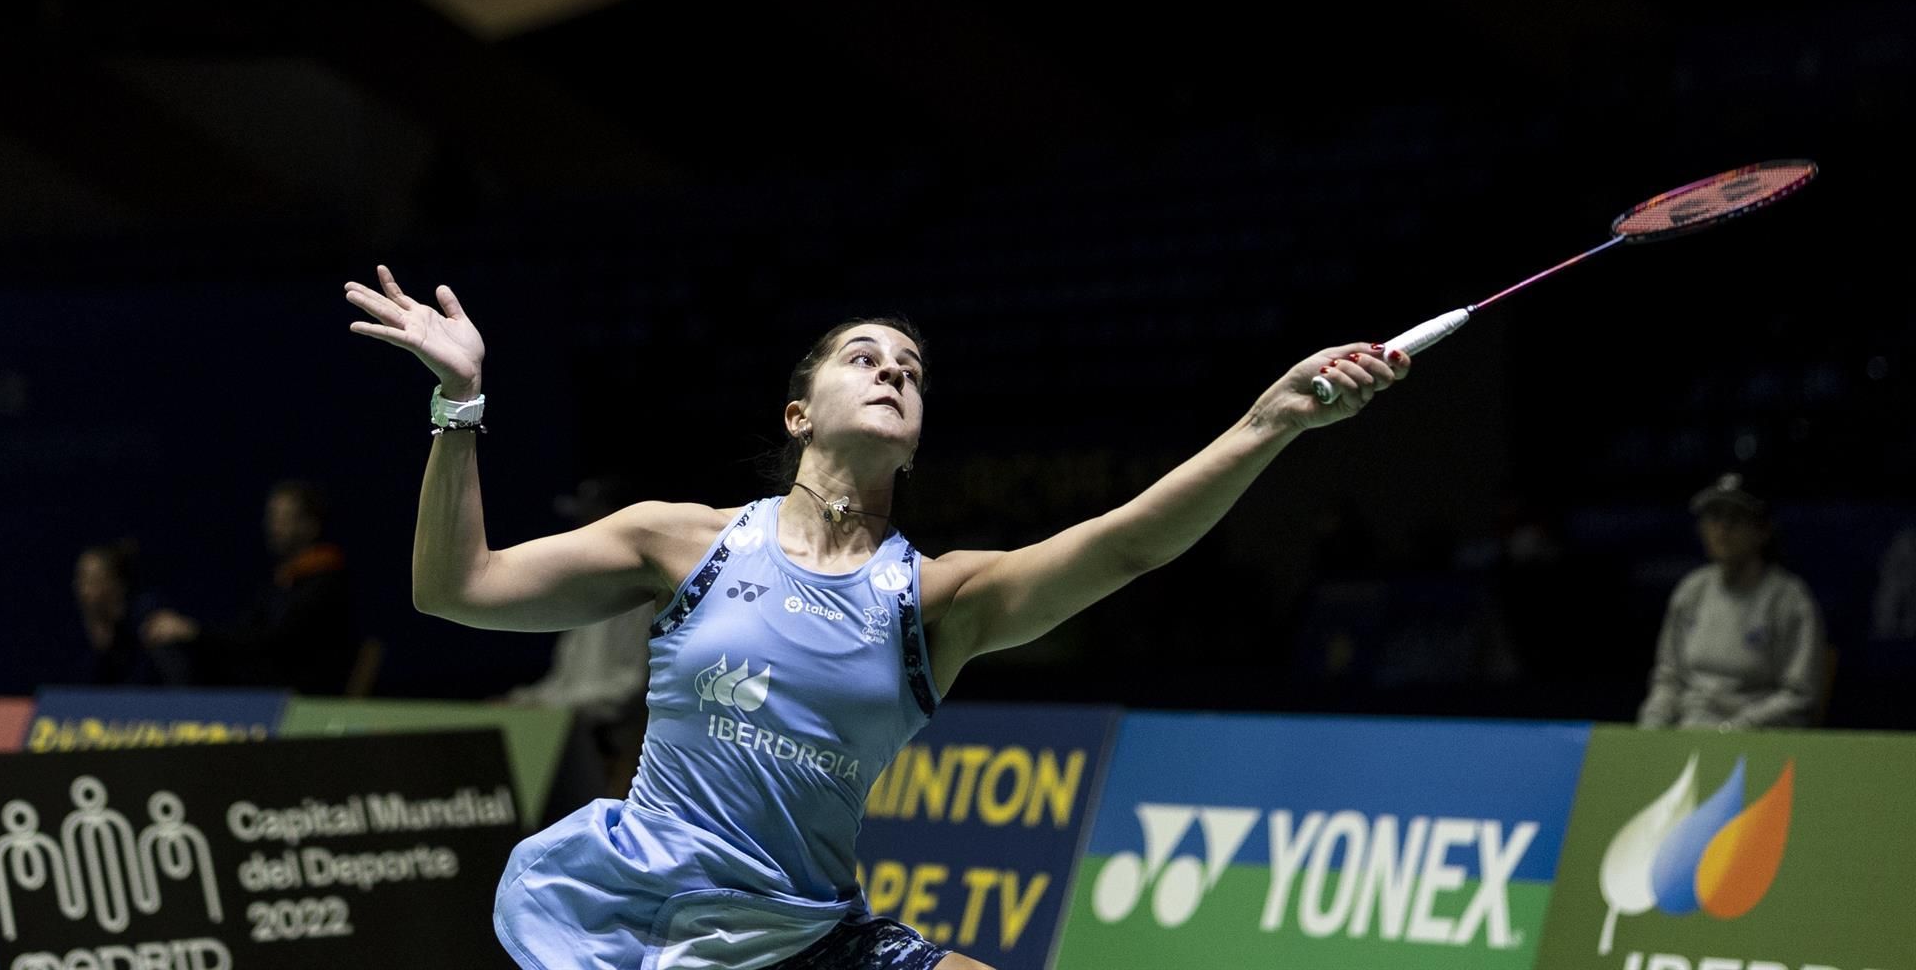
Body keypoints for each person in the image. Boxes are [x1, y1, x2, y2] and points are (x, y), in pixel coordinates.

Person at [343, 264, 1410, 970]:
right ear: (799, 412)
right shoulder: (683, 541)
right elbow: (459, 586)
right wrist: (460, 407)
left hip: (809, 936)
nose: (894, 371)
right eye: (865, 356)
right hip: (642, 920)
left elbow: (1128, 541)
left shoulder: (935, 599)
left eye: (910, 370)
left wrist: (1269, 423)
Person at [505, 475, 655, 803]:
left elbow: (625, 691)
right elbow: (564, 681)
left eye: (592, 517)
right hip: (566, 723)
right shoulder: (587, 589)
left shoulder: (644, 598)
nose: (581, 527)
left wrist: (553, 710)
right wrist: (522, 702)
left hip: (604, 736)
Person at [1637, 472, 1826, 731]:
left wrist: (1734, 730)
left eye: (1736, 518)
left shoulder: (1790, 601)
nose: (1722, 528)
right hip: (1685, 736)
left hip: (1755, 744)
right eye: (1714, 516)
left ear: (1763, 530)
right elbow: (1668, 679)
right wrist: (1650, 729)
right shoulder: (1692, 591)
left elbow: (1798, 697)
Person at [140, 479, 358, 695]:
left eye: (285, 519)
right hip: (262, 683)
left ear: (311, 526)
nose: (275, 527)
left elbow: (271, 643)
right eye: (272, 517)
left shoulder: (326, 583)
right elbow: (246, 631)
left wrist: (195, 633)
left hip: (297, 696)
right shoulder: (282, 580)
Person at [72, 538, 188, 686]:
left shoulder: (148, 616)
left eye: (92, 579)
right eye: (80, 578)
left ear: (116, 583)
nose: (82, 589)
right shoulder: (88, 634)